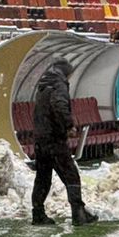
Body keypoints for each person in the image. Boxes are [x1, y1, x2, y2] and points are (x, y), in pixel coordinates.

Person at [30, 58, 98, 227]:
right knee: (71, 174)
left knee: (42, 177)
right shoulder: (59, 85)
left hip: (40, 138)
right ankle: (78, 213)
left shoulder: (44, 85)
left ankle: (38, 213)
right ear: (67, 73)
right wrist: (68, 125)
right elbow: (59, 104)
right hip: (54, 139)